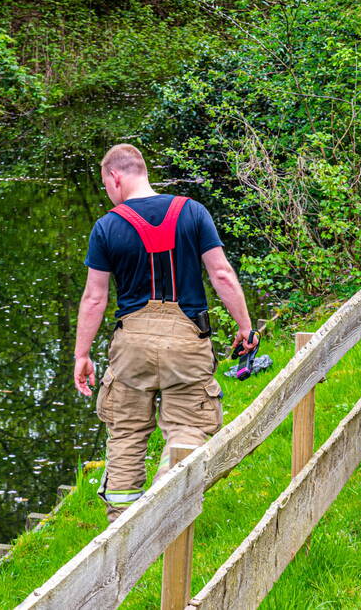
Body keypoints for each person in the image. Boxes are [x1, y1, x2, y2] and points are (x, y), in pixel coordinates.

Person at [73, 144, 257, 521]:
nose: (108, 193)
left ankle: (121, 526)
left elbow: (95, 297)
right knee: (188, 428)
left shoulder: (106, 226)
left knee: (126, 434)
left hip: (131, 346)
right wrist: (245, 325)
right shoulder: (192, 212)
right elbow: (221, 274)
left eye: (105, 185)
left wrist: (82, 354)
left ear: (116, 177)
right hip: (186, 342)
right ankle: (166, 508)